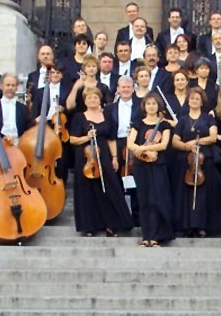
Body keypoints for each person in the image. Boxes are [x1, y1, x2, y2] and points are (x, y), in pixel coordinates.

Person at [67, 87, 134, 237]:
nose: (92, 100)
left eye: (95, 97)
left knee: (110, 188)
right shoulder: (79, 117)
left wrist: (115, 157)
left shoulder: (107, 116)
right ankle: (89, 226)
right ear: (85, 101)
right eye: (89, 98)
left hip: (104, 155)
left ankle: (112, 224)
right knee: (86, 191)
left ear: (100, 99)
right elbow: (72, 139)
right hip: (86, 157)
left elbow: (111, 139)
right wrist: (87, 137)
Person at [170, 87, 221, 237]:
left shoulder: (208, 118)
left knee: (203, 194)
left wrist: (195, 142)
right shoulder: (182, 120)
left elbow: (213, 137)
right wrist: (187, 146)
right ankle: (186, 225)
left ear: (202, 102)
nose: (194, 101)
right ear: (188, 101)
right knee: (185, 194)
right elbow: (175, 141)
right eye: (192, 98)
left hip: (204, 160)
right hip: (186, 162)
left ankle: (202, 225)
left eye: (197, 99)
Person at [126, 93, 173, 247]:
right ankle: (146, 236)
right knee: (144, 200)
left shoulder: (164, 124)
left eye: (154, 104)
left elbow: (163, 145)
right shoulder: (138, 123)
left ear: (158, 106)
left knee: (157, 200)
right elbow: (130, 143)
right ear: (144, 106)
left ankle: (157, 236)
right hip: (141, 166)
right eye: (148, 104)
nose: (151, 106)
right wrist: (144, 151)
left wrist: (145, 149)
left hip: (158, 165)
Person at [0, 74, 31, 142]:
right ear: (1, 86)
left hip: (18, 142)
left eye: (13, 85)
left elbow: (27, 128)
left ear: (16, 88)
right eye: (8, 85)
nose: (10, 88)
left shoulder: (23, 108)